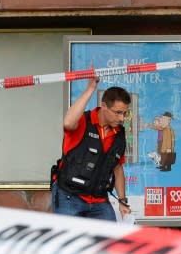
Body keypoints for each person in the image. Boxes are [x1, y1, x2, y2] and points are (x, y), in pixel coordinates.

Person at [51, 77, 132, 221]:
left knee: (109, 240)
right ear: (104, 106)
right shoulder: (83, 122)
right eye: (118, 112)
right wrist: (90, 89)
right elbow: (68, 122)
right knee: (70, 242)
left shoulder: (119, 133)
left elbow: (117, 168)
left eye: (124, 113)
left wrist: (122, 201)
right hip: (69, 196)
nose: (122, 118)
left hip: (99, 201)